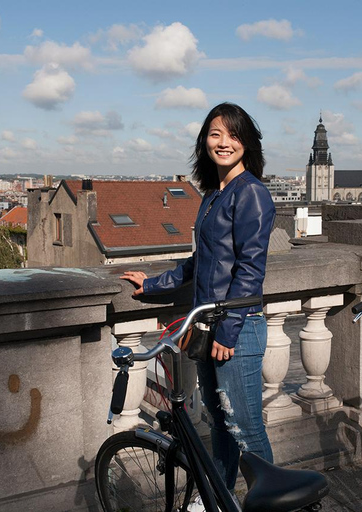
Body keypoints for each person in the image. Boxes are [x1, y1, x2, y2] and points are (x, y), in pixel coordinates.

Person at [121, 102, 276, 493]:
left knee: (247, 432)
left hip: (235, 331)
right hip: (209, 326)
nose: (224, 143)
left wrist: (227, 331)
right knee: (221, 425)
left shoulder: (252, 193)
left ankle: (276, 502)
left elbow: (250, 271)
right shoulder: (213, 195)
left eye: (234, 135)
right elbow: (201, 262)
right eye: (216, 134)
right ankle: (220, 499)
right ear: (205, 141)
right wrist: (152, 283)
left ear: (248, 142)